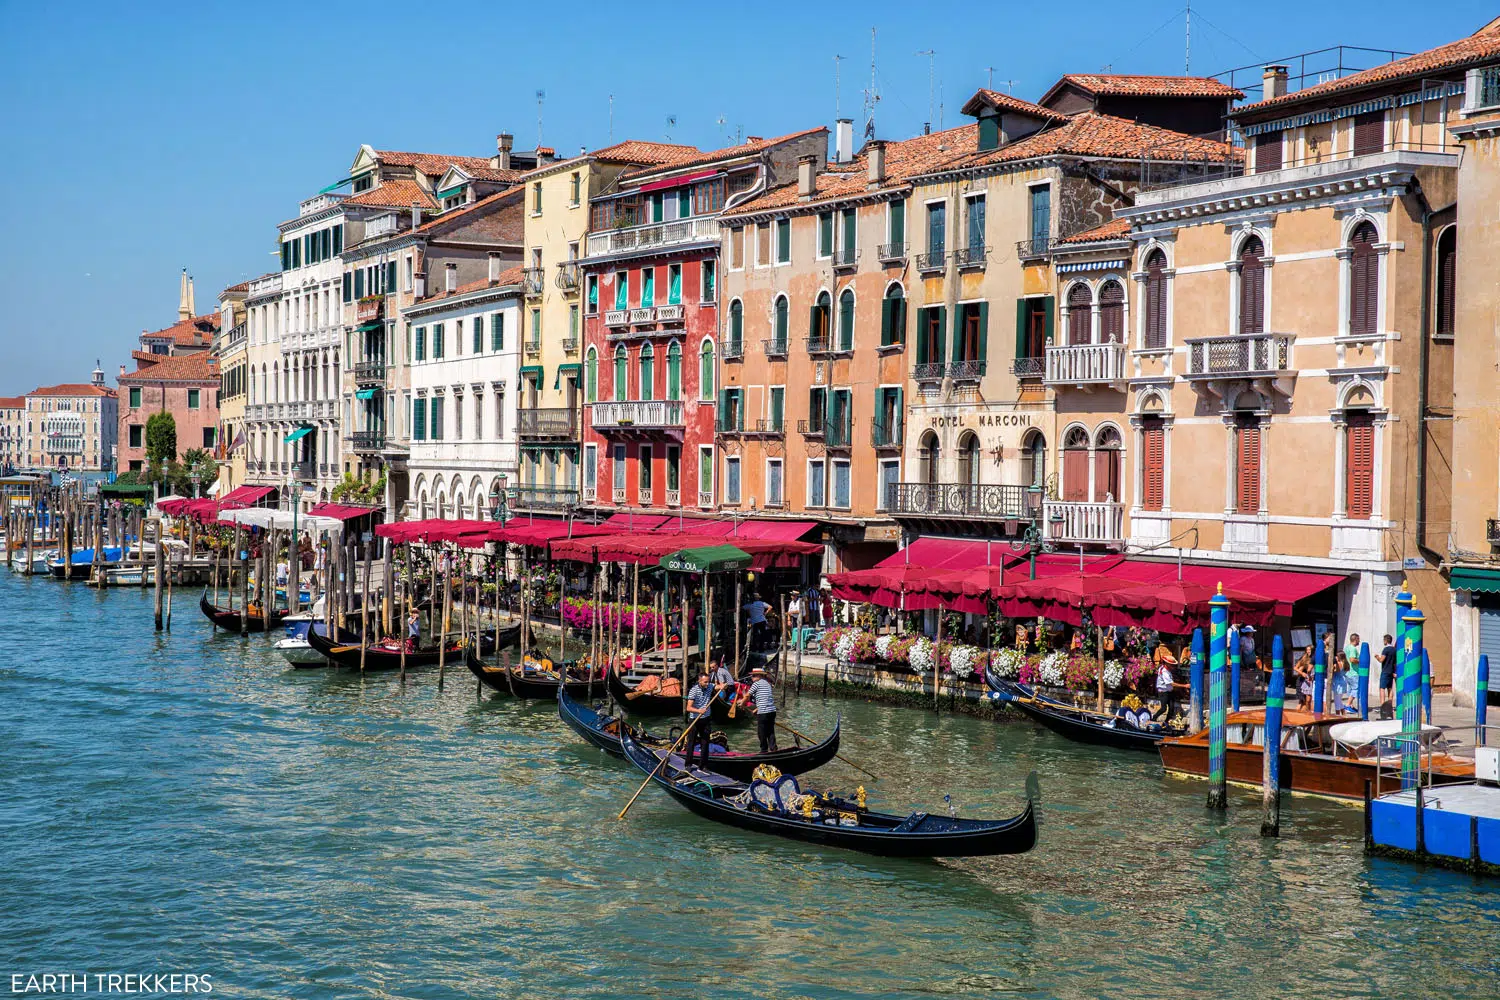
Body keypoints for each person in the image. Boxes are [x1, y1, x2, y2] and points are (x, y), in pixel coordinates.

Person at [739, 665, 778, 752]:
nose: (752, 677)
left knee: (761, 732)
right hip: (772, 711)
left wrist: (741, 703)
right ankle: (773, 749)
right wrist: (756, 710)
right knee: (770, 731)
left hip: (764, 712)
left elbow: (747, 696)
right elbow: (766, 699)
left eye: (753, 675)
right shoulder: (767, 684)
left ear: (759, 676)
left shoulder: (756, 684)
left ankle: (764, 750)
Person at [683, 670, 716, 768]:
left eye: (708, 681)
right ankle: (688, 765)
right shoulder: (694, 690)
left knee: (705, 742)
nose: (707, 683)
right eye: (705, 682)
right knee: (691, 742)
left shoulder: (709, 686)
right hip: (695, 719)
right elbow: (688, 708)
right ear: (699, 681)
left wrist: (723, 686)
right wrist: (699, 711)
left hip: (706, 719)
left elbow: (717, 686)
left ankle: (703, 766)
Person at [1379, 633, 1398, 717]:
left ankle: (1383, 705)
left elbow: (1381, 660)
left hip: (1385, 671)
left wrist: (1377, 657)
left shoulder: (1385, 650)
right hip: (1391, 671)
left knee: (1382, 688)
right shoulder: (1394, 650)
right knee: (1390, 688)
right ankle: (1390, 704)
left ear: (1386, 641)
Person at [1294, 647, 1315, 711]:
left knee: (1305, 701)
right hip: (1302, 681)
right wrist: (1302, 673)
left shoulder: (1313, 658)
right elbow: (1295, 668)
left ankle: (1303, 715)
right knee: (1302, 701)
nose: (1308, 651)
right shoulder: (1304, 658)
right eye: (1307, 650)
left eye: (1310, 650)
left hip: (1308, 682)